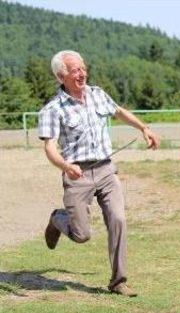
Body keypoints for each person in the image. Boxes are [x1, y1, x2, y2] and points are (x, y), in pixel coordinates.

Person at [38, 50, 160, 297]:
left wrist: (143, 128)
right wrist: (65, 166)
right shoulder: (52, 109)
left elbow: (118, 111)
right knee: (82, 235)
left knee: (118, 219)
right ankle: (57, 219)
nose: (82, 74)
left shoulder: (98, 95)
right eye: (75, 70)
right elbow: (49, 146)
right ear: (62, 76)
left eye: (83, 68)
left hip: (105, 169)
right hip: (77, 174)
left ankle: (118, 281)